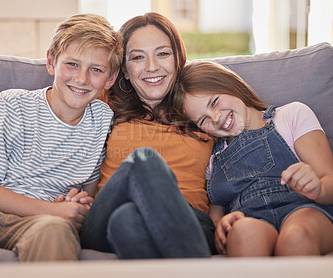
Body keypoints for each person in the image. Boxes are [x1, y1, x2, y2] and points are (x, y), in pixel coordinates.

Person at [0, 13, 123, 277]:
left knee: (56, 231)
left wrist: (76, 204)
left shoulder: (103, 121)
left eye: (96, 70)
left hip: (42, 225)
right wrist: (52, 210)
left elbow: (88, 193)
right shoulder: (13, 104)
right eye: (72, 64)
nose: (81, 79)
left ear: (110, 78)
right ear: (51, 62)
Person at [77, 12, 217, 258]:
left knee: (127, 220)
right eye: (138, 57)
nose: (152, 67)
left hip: (190, 220)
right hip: (103, 217)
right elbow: (49, 104)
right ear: (125, 71)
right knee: (143, 161)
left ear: (178, 59)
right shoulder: (104, 102)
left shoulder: (203, 104)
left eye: (163, 54)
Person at [173, 60, 333, 256]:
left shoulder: (291, 115)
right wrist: (220, 226)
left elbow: (329, 180)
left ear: (231, 85)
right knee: (243, 233)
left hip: (304, 209)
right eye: (203, 120)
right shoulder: (214, 157)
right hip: (251, 219)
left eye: (214, 102)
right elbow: (215, 213)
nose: (215, 117)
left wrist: (318, 187)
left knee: (295, 237)